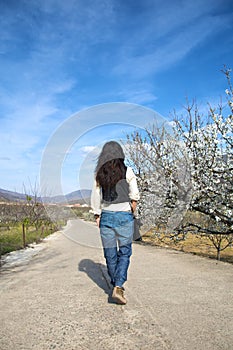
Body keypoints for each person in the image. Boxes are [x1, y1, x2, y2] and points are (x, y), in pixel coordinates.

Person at [91, 141, 140, 305]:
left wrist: (97, 214)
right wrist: (131, 210)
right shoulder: (128, 171)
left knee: (110, 254)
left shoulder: (99, 173)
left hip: (107, 216)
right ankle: (118, 285)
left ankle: (115, 284)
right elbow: (135, 194)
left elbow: (96, 196)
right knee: (125, 252)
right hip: (124, 215)